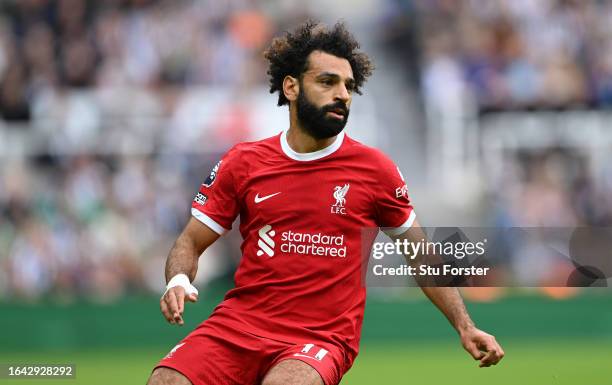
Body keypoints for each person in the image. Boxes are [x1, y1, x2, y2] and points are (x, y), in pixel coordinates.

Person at [148, 21, 504, 385]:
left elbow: (421, 254)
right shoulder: (244, 162)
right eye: (327, 82)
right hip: (239, 325)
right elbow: (190, 242)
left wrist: (465, 326)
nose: (343, 95)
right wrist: (177, 278)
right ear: (291, 86)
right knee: (165, 380)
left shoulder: (375, 170)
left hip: (317, 339)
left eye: (349, 86)